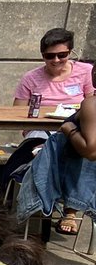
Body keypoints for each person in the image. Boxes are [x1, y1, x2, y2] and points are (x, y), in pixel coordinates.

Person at [10, 29, 96, 235]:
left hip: (77, 129)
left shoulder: (86, 72)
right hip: (41, 129)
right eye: (50, 56)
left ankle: (67, 209)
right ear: (42, 56)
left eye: (62, 55)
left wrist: (70, 127)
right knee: (45, 148)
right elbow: (17, 113)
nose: (56, 60)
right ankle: (52, 205)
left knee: (77, 153)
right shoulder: (31, 78)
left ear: (71, 53)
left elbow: (91, 111)